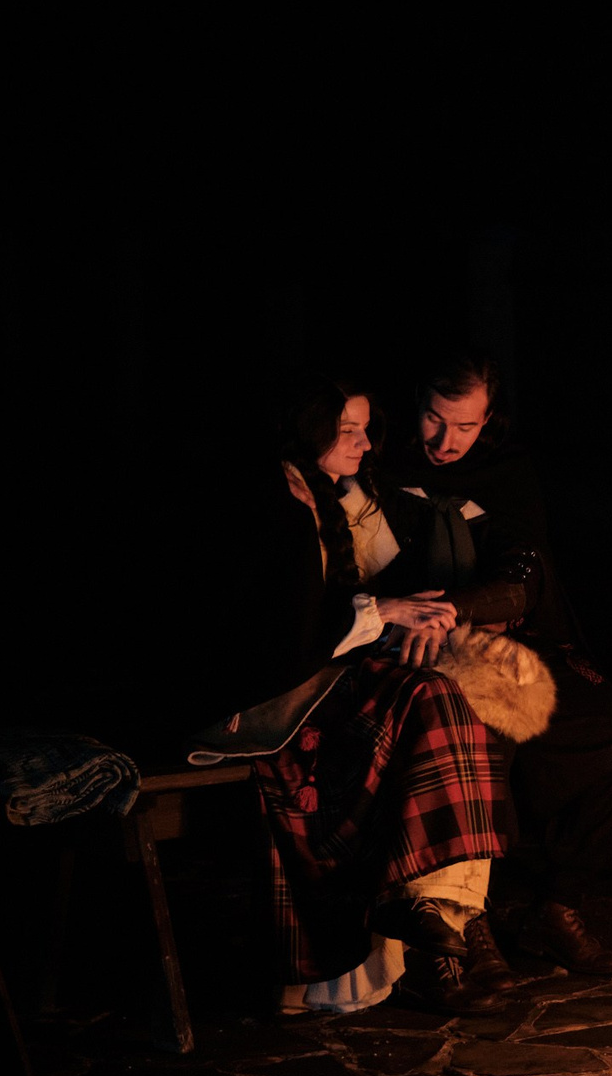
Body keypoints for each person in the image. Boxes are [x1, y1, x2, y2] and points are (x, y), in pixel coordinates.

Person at [181, 378, 516, 1017]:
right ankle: (418, 910)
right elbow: (275, 630)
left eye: (366, 428)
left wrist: (409, 615)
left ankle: (435, 905)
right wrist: (379, 612)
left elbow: (340, 603)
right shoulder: (270, 500)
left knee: (445, 691)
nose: (364, 444)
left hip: (314, 674)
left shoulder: (333, 497)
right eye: (347, 431)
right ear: (309, 432)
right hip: (256, 699)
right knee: (420, 703)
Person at [373, 354, 612, 978]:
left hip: (511, 646)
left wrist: (461, 607)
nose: (446, 442)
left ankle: (556, 906)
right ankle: (464, 916)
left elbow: (522, 572)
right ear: (415, 404)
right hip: (413, 656)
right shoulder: (377, 468)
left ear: (487, 422)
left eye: (465, 428)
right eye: (434, 420)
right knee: (478, 740)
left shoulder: (505, 472)